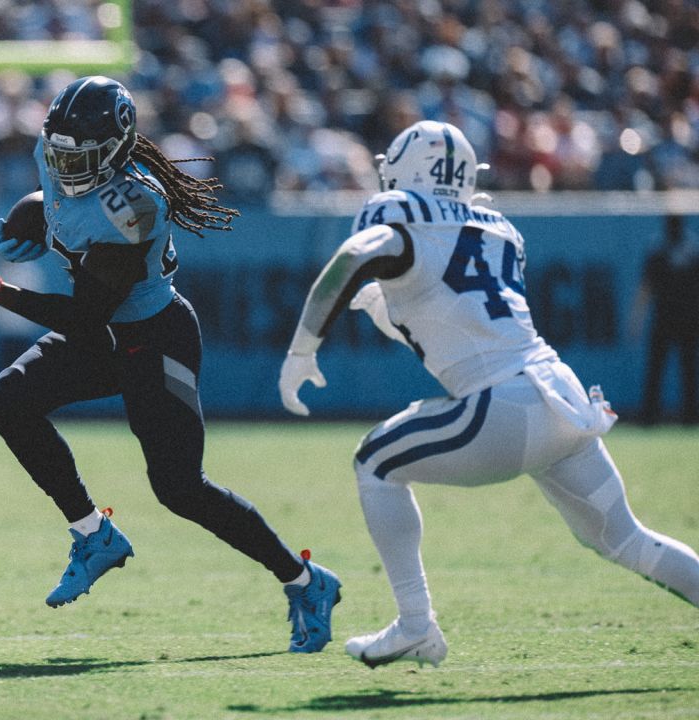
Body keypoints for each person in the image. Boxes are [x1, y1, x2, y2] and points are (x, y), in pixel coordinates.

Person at [0, 76, 342, 653]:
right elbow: (55, 204)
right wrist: (32, 220)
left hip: (152, 338)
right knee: (8, 399)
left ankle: (305, 581)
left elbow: (85, 314)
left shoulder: (136, 207)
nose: (65, 164)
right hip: (106, 335)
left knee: (180, 488)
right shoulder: (54, 153)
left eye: (83, 155)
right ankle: (92, 533)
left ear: (118, 150)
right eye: (61, 152)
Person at [279, 120, 699, 668]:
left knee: (374, 462)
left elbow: (352, 259)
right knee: (627, 539)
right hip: (562, 400)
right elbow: (454, 321)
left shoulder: (401, 216)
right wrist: (385, 306)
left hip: (503, 408)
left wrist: (302, 348)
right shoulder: (495, 228)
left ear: (407, 169)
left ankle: (415, 625)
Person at [631, 214, 699, 425]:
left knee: (687, 370)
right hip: (666, 319)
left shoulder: (691, 249)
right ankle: (650, 416)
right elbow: (647, 287)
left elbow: (645, 288)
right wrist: (637, 319)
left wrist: (636, 319)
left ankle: (689, 416)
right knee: (657, 369)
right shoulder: (660, 248)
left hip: (685, 319)